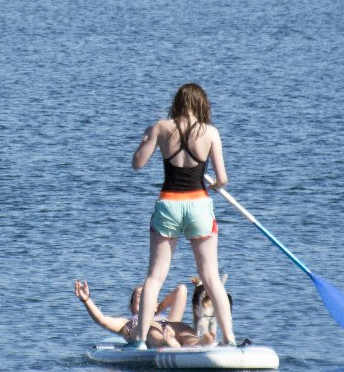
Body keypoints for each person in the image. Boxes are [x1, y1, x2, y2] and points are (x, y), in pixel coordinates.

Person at [129, 83, 237, 348]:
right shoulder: (211, 133)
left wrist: (148, 137)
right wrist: (216, 186)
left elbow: (137, 163)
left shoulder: (161, 128)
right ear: (202, 105)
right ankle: (230, 341)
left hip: (169, 205)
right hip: (199, 205)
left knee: (155, 276)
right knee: (211, 277)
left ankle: (140, 340)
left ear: (176, 103)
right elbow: (222, 179)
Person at [73, 280, 202, 348]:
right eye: (141, 296)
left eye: (148, 296)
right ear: (131, 306)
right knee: (151, 330)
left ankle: (196, 344)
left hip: (169, 327)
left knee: (182, 328)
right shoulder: (126, 324)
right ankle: (170, 343)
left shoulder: (165, 318)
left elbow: (181, 290)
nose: (146, 298)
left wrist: (157, 308)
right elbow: (101, 319)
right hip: (150, 333)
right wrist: (86, 300)